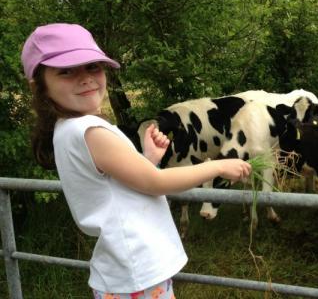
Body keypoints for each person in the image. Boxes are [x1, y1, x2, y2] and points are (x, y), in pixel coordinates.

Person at [21, 23, 252, 299]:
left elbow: (115, 187)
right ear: (39, 85)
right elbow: (155, 184)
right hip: (137, 272)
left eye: (93, 66)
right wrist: (218, 166)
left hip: (124, 270)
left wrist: (147, 160)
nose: (86, 78)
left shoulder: (66, 130)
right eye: (66, 71)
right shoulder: (90, 131)